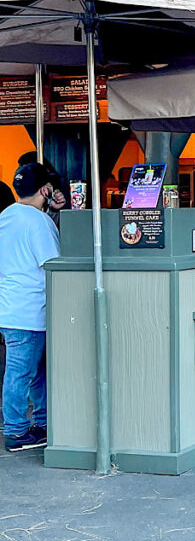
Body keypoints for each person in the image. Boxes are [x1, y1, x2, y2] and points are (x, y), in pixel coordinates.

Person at [0, 164, 61, 451]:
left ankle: (42, 423)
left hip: (9, 307)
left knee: (31, 372)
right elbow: (53, 264)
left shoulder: (6, 215)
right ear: (45, 190)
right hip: (31, 309)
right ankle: (16, 431)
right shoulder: (38, 222)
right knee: (23, 373)